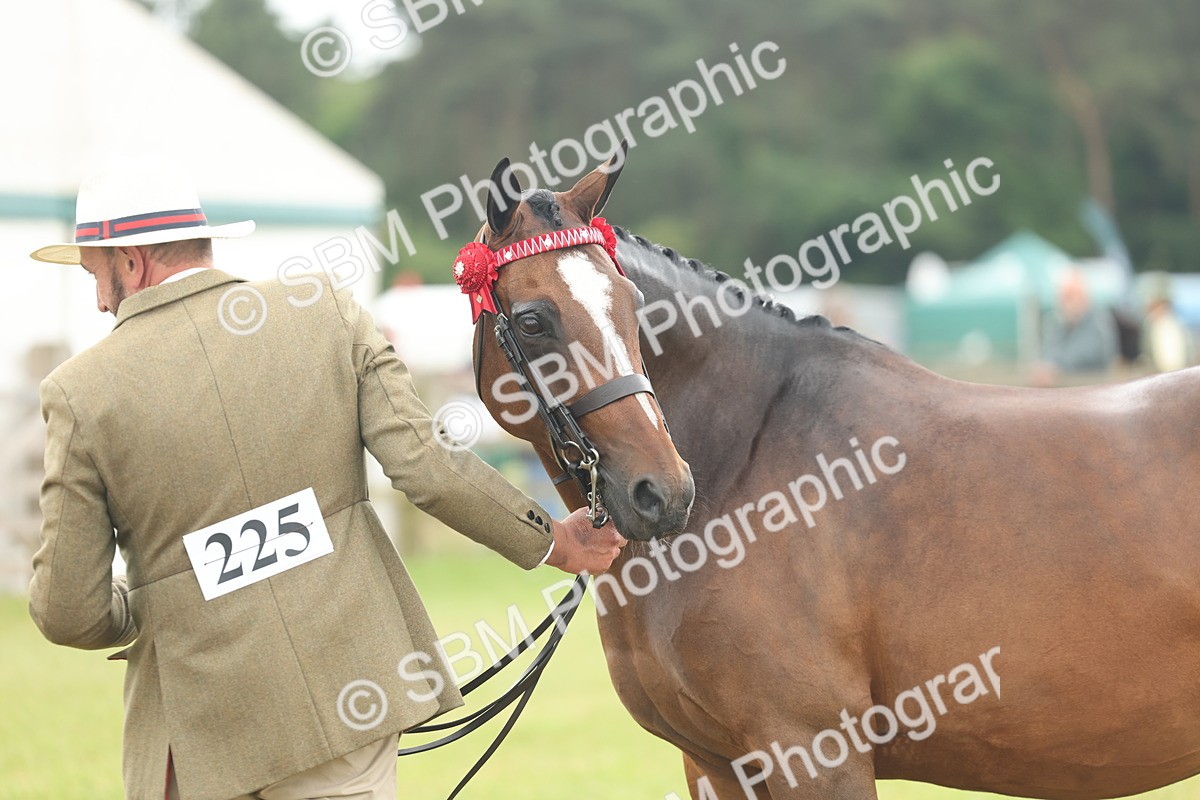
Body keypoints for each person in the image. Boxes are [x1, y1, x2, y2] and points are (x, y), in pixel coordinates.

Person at [27, 156, 626, 800]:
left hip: (195, 737)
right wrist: (556, 542)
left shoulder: (77, 391)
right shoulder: (327, 311)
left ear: (131, 263)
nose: (98, 300)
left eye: (97, 276)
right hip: (346, 700)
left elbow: (67, 612)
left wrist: (143, 604)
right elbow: (426, 469)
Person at [1031, 268, 1118, 386]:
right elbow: (1047, 351)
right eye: (1063, 297)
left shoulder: (1099, 320)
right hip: (1064, 394)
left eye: (1071, 296)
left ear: (1085, 296)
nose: (1066, 302)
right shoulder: (1056, 322)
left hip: (1094, 392)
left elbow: (1089, 353)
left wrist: (1055, 367)